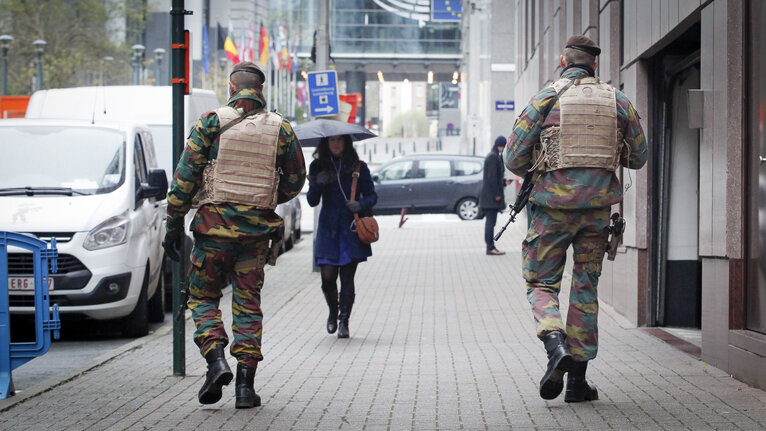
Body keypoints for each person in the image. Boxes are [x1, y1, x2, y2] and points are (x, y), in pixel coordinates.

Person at [504, 35, 647, 403]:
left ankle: (555, 347)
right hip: (597, 214)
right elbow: (639, 156)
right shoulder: (617, 100)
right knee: (585, 291)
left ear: (563, 61)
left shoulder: (545, 98)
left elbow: (513, 158)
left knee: (541, 283)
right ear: (594, 65)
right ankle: (578, 384)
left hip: (551, 212)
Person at [162, 61, 306, 409]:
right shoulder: (281, 129)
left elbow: (184, 178)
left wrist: (172, 224)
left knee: (203, 296)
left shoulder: (212, 122)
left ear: (231, 88)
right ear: (261, 90)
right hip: (256, 235)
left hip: (213, 229)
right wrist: (264, 198)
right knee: (247, 304)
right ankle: (245, 387)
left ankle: (215, 360)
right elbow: (295, 181)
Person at [307, 135, 377, 339]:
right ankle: (332, 311)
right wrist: (318, 184)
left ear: (346, 142)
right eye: (332, 140)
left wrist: (360, 205)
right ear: (326, 144)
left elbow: (373, 195)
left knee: (347, 278)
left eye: (340, 140)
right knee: (328, 278)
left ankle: (344, 321)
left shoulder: (358, 167)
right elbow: (312, 201)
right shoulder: (317, 166)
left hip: (350, 229)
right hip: (328, 229)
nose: (336, 144)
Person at [480, 136, 511, 255]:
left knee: (491, 222)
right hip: (491, 197)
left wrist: (504, 182)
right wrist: (497, 194)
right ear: (501, 145)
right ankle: (490, 247)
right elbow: (492, 178)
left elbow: (494, 177)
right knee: (490, 222)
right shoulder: (493, 157)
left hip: (489, 196)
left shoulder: (493, 155)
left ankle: (491, 246)